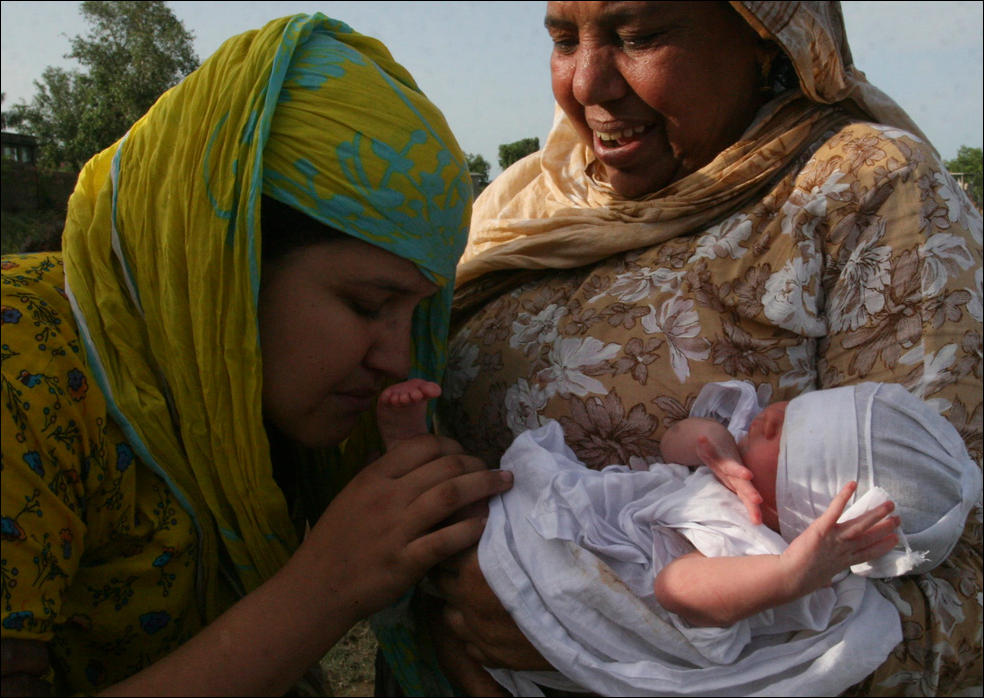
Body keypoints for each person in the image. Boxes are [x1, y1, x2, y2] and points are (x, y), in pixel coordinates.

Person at [373, 2, 983, 696]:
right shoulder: (522, 202)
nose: (586, 85)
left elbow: (960, 586)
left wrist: (603, 638)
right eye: (564, 40)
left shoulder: (864, 190)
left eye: (638, 38)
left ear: (765, 36)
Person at [0, 14, 514, 696]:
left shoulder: (247, 398)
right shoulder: (22, 368)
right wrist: (323, 589)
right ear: (221, 262)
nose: (398, 358)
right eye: (366, 305)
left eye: (416, 314)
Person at [472, 380, 981, 695]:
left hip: (564, 575)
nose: (773, 412)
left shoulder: (759, 553)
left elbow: (678, 589)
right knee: (472, 497)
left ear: (802, 516)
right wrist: (711, 444)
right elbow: (672, 443)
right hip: (562, 520)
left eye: (788, 436)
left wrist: (787, 576)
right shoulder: (737, 454)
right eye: (795, 409)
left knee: (468, 652)